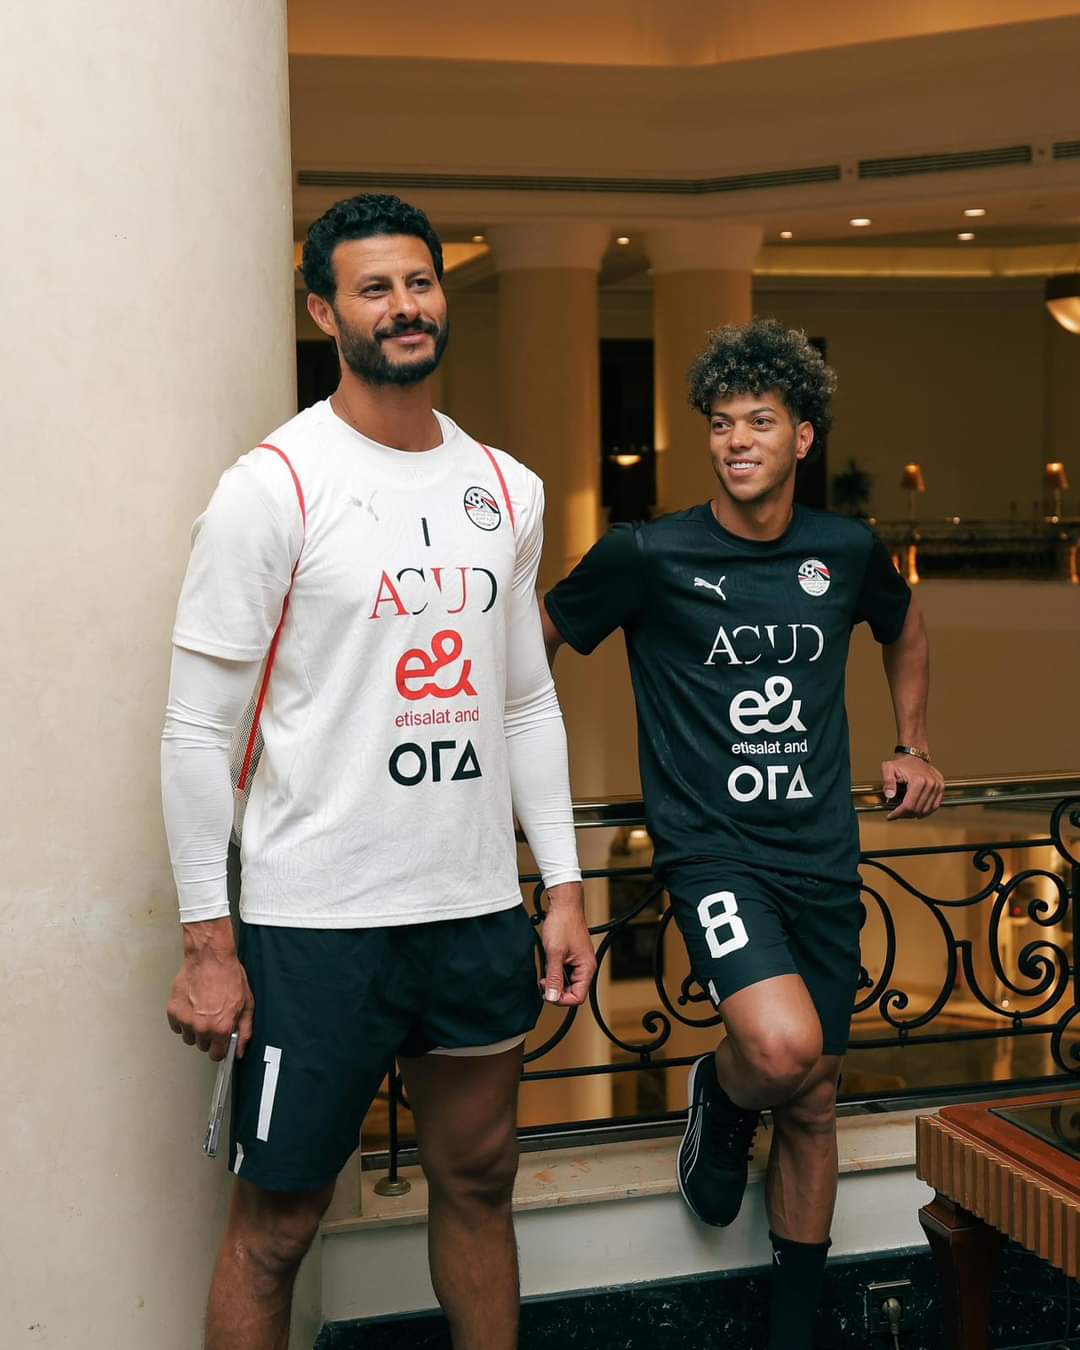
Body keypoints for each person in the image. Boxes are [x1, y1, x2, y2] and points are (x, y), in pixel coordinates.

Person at [161, 192, 596, 1350]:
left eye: (419, 282)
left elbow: (525, 700)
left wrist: (560, 886)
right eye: (373, 289)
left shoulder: (507, 487)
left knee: (481, 1183)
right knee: (277, 1228)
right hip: (318, 925)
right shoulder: (275, 485)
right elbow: (196, 731)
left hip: (471, 911)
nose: (404, 306)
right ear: (325, 312)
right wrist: (208, 943)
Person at [541, 318, 944, 1350]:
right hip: (713, 852)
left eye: (759, 422)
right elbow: (533, 640)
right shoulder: (649, 554)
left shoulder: (844, 550)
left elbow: (904, 626)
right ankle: (719, 1101)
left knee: (813, 1100)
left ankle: (791, 1333)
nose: (736, 441)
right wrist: (506, 766)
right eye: (721, 424)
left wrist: (912, 743)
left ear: (801, 437)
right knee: (780, 1048)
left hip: (824, 855)